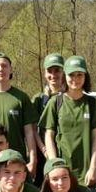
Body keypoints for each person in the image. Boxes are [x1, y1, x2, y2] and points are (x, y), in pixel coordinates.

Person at [41, 55, 96, 187]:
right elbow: (49, 136)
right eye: (71, 75)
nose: (75, 79)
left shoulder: (92, 104)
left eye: (79, 75)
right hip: (62, 172)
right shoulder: (55, 103)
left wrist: (93, 168)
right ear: (65, 76)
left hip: (86, 172)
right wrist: (54, 165)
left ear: (85, 76)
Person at [32, 53, 66, 184]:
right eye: (49, 71)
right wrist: (44, 150)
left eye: (57, 70)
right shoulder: (38, 99)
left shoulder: (69, 97)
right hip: (43, 156)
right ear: (45, 73)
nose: (53, 75)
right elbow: (34, 129)